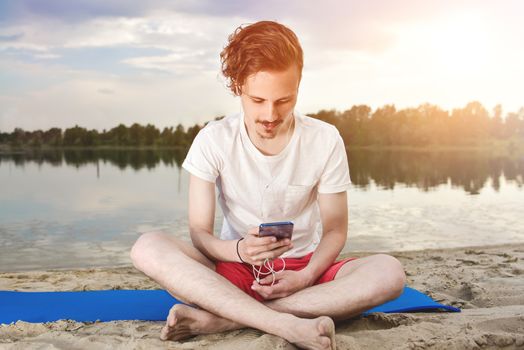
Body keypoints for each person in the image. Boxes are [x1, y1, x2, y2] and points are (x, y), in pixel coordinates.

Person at [130, 20, 406, 350]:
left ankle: (226, 318)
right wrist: (238, 251)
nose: (270, 115)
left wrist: (305, 277)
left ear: (299, 87)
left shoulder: (325, 139)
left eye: (284, 100)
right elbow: (200, 234)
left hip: (307, 274)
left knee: (390, 272)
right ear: (237, 87)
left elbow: (335, 230)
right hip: (233, 269)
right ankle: (281, 322)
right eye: (258, 100)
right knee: (147, 247)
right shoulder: (212, 140)